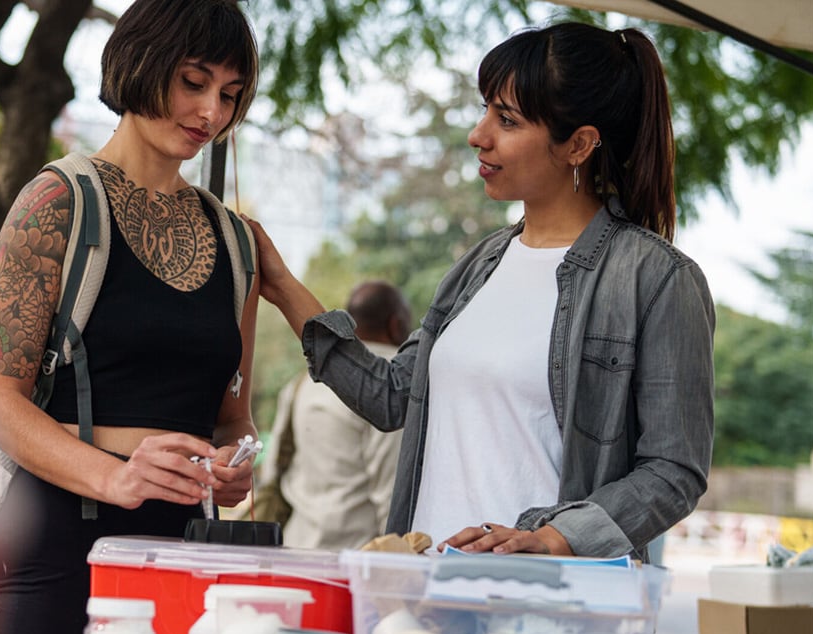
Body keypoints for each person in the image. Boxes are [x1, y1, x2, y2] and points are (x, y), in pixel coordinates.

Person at [250, 22, 714, 562]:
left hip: (552, 615)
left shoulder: (656, 279)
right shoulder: (478, 266)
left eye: (507, 119)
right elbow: (391, 395)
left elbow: (673, 470)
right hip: (430, 595)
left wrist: (555, 538)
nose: (479, 134)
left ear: (580, 144)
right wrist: (282, 286)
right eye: (485, 111)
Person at [0, 1, 260, 634]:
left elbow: (234, 414)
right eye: (194, 81)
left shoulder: (235, 240)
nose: (211, 112)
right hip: (57, 545)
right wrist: (117, 476)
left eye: (230, 95)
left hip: (185, 556)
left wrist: (238, 463)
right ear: (142, 61)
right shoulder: (56, 202)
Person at [271, 280, 412, 550]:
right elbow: (392, 490)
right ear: (396, 324)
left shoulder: (303, 381)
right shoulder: (394, 382)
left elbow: (274, 466)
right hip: (356, 560)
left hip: (295, 546)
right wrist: (399, 559)